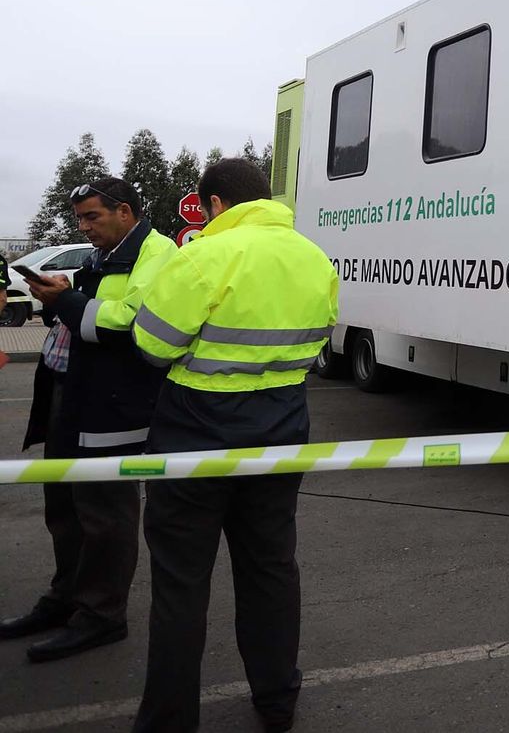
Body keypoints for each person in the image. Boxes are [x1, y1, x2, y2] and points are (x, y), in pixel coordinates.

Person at [130, 159, 338, 733]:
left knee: (181, 582)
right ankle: (277, 700)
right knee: (271, 569)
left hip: (195, 430)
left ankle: (169, 719)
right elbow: (318, 337)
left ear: (216, 204)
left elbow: (150, 343)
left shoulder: (203, 255)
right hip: (282, 427)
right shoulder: (314, 257)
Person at [1, 179, 177, 661]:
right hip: (71, 392)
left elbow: (130, 321)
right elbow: (96, 305)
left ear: (125, 211)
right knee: (64, 506)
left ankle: (101, 616)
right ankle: (66, 600)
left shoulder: (157, 252)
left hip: (113, 405)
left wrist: (69, 301)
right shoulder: (103, 253)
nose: (83, 227)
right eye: (78, 219)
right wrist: (66, 290)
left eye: (91, 217)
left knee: (105, 514)